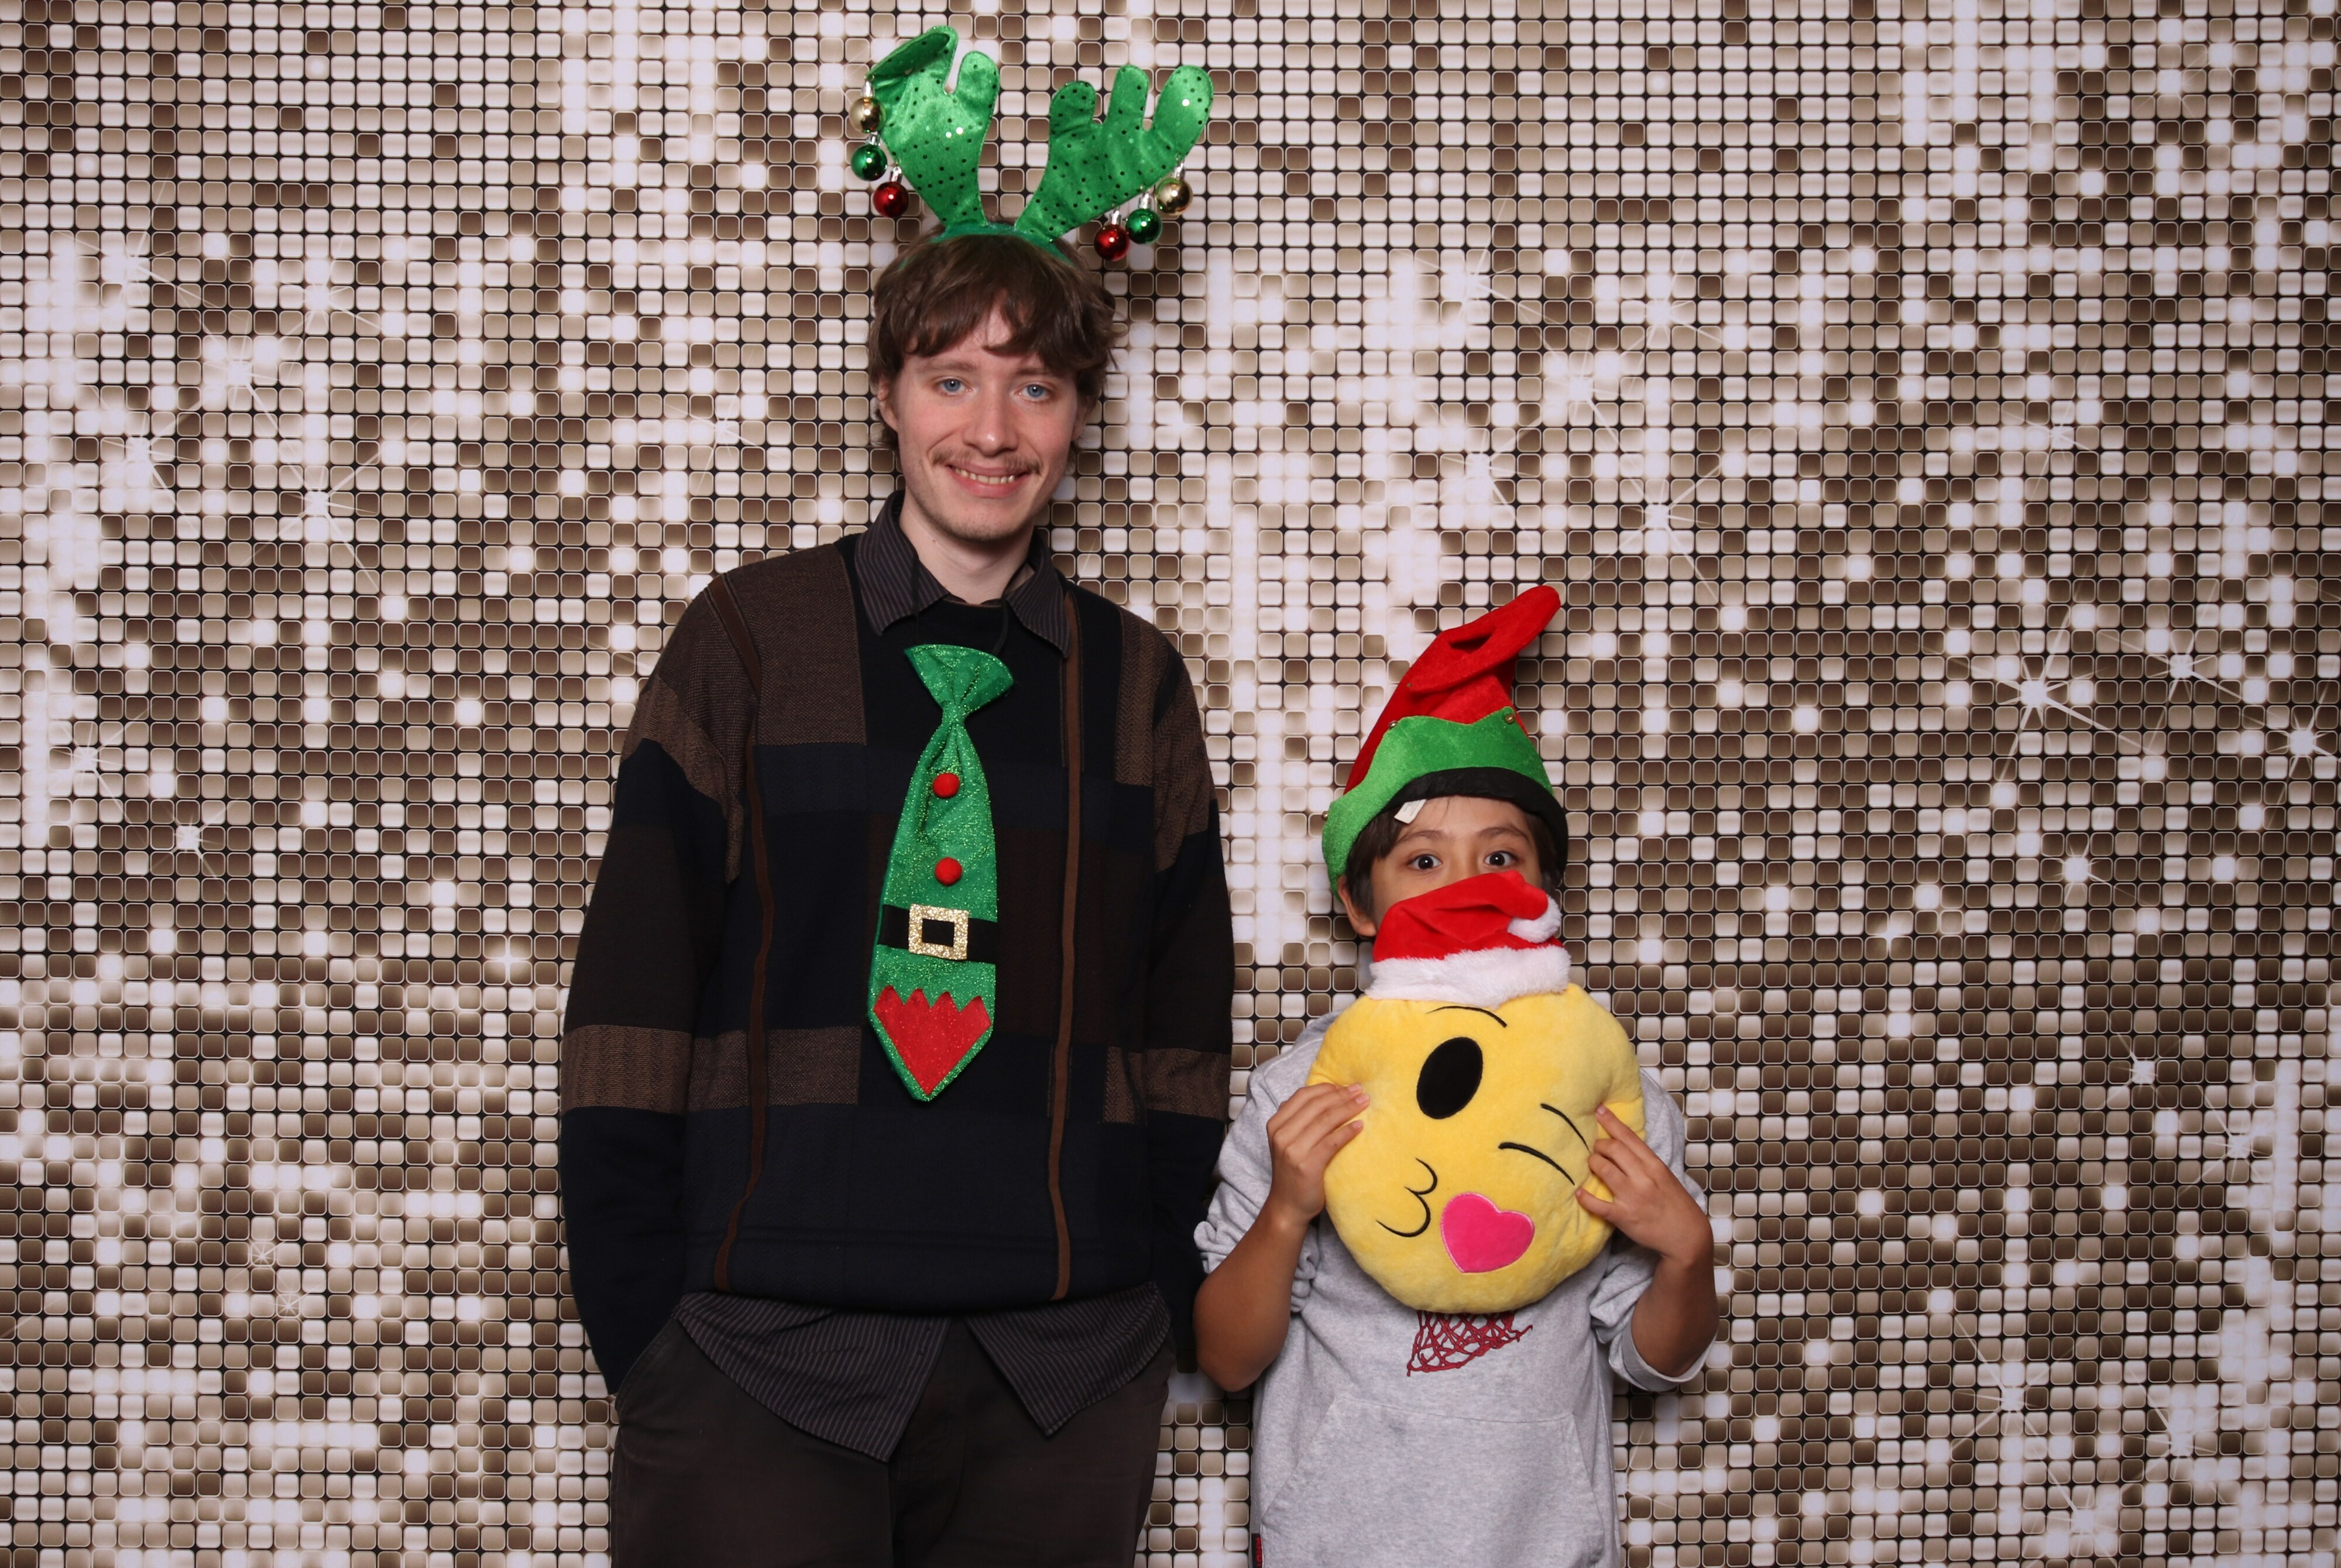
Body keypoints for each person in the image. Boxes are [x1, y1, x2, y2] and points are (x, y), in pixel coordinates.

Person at [557, 225, 1234, 1560]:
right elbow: (634, 993)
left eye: (1035, 386)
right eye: (950, 379)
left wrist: (1152, 1296)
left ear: (1078, 414)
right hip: (757, 1358)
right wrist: (647, 1330)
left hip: (1061, 1372)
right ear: (887, 395)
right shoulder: (749, 641)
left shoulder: (1136, 685)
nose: (992, 429)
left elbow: (1180, 1025)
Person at [1193, 590, 1719, 1566]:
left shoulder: (1605, 1094)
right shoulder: (1300, 1091)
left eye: (1500, 856)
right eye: (1424, 860)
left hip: (1542, 1545)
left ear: (1543, 891)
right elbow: (1226, 1359)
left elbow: (1656, 1363)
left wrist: (1688, 1253)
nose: (1465, 889)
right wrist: (1287, 1211)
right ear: (1360, 902)